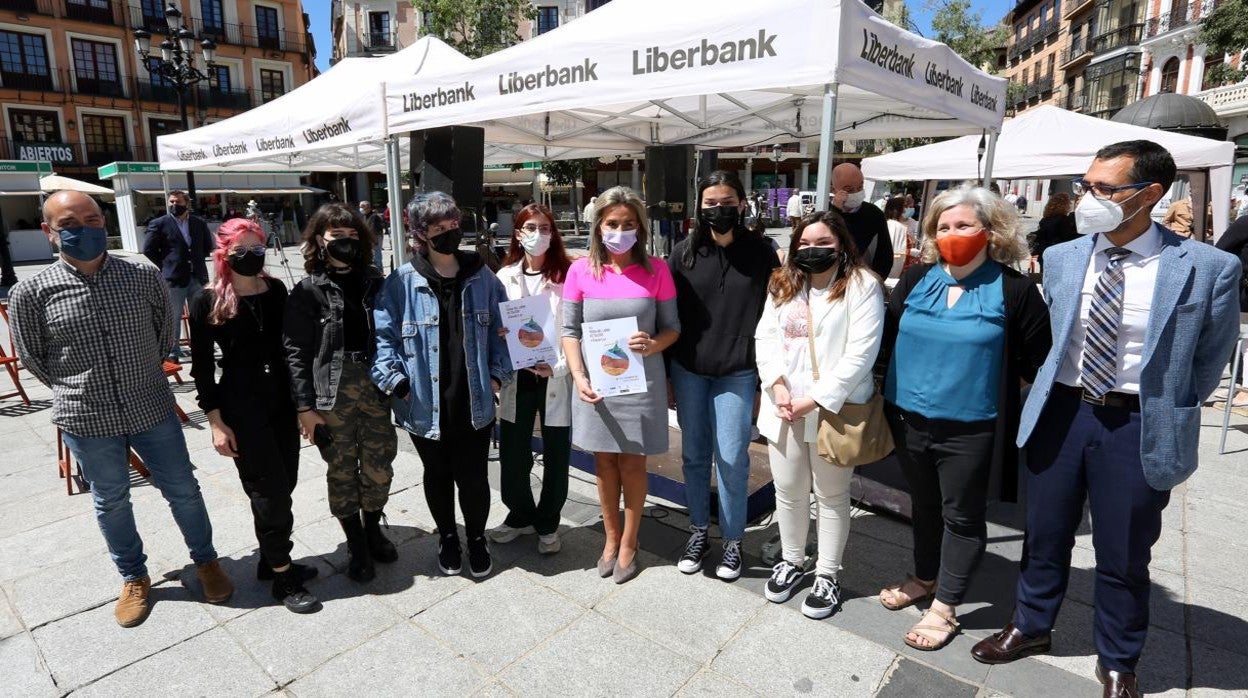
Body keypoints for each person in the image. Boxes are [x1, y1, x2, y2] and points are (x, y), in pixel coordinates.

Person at [972, 142, 1241, 697]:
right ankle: (1030, 624)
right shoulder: (1067, 256)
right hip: (1062, 413)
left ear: (1149, 196)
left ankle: (1118, 659)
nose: (1088, 197)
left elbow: (1211, 356)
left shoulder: (1209, 267)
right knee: (1044, 534)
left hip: (1137, 425)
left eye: (1103, 188)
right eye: (1086, 184)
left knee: (1123, 552)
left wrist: (1169, 405)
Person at [9, 191, 232, 628]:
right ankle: (133, 577)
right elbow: (34, 357)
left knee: (183, 489)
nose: (85, 229)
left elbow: (163, 331)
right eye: (71, 222)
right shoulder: (31, 292)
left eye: (93, 219)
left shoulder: (141, 275)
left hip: (150, 405)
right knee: (111, 501)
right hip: (87, 417)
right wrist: (79, 388)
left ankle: (206, 562)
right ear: (49, 232)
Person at [878, 185, 1051, 652]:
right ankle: (924, 577)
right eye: (943, 226)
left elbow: (1037, 358)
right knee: (924, 504)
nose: (952, 233)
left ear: (990, 231)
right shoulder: (916, 280)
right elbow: (887, 340)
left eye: (963, 225)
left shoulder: (1015, 290)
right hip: (908, 418)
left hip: (973, 427)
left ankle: (945, 606)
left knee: (962, 515)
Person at [373, 192, 512, 578]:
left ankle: (478, 538)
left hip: (476, 397)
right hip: (423, 399)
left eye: (453, 225)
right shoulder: (401, 282)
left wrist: (500, 374)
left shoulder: (482, 276)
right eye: (439, 228)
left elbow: (504, 332)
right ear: (421, 234)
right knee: (437, 474)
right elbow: (383, 338)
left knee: (474, 475)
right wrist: (396, 382)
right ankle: (448, 536)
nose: (450, 233)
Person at [755, 210, 884, 618]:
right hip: (784, 406)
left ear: (842, 245)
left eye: (823, 243)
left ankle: (828, 573)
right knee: (788, 491)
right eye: (805, 244)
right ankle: (793, 560)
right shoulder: (783, 283)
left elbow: (862, 352)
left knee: (830, 495)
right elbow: (766, 336)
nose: (813, 251)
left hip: (833, 408)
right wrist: (775, 383)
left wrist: (816, 398)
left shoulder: (862, 285)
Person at [187, 218, 318, 614]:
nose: (251, 256)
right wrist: (214, 421)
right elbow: (201, 368)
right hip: (242, 405)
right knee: (268, 493)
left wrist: (303, 406)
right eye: (241, 249)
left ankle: (269, 558)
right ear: (224, 252)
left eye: (257, 248)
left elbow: (293, 349)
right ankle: (282, 575)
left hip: (280, 400)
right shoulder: (206, 299)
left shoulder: (276, 289)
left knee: (287, 481)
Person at [561, 185, 680, 584]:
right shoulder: (580, 270)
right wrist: (578, 376)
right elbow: (569, 330)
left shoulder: (657, 270)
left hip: (640, 383)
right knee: (604, 463)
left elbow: (672, 329)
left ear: (640, 229)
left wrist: (653, 343)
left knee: (633, 463)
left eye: (629, 224)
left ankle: (630, 542)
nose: (620, 230)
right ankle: (610, 540)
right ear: (598, 226)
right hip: (596, 385)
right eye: (612, 223)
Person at [667, 171, 779, 581]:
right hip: (689, 371)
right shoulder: (682, 254)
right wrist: (666, 376)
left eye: (726, 201)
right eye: (710, 202)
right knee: (694, 456)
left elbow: (776, 315)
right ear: (700, 207)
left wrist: (765, 382)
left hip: (738, 372)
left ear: (743, 203)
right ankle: (698, 529)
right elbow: (669, 316)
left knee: (732, 458)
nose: (719, 209)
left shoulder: (763, 253)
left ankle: (733, 539)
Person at [284, 203, 396, 584]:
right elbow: (295, 352)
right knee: (342, 469)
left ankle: (373, 528)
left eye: (352, 236)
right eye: (336, 237)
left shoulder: (376, 281)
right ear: (320, 240)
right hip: (330, 391)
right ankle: (356, 544)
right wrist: (304, 408)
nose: (345, 243)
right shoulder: (307, 291)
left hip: (375, 382)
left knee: (379, 466)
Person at [487, 204, 574, 554]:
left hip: (554, 374)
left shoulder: (568, 277)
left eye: (545, 227)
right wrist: (500, 332)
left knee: (555, 452)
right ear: (518, 234)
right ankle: (520, 514)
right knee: (513, 450)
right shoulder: (503, 277)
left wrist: (561, 367)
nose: (538, 234)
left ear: (553, 234)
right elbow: (492, 325)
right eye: (530, 227)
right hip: (516, 375)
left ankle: (548, 523)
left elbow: (576, 330)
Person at [143, 190, 211, 362]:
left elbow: (207, 246)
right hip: (174, 279)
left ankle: (202, 347)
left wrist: (195, 261)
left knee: (201, 315)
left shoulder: (198, 223)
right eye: (171, 202)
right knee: (173, 317)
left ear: (186, 203)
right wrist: (166, 266)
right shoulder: (159, 223)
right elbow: (148, 249)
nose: (174, 205)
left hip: (197, 277)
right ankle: (173, 351)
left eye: (178, 202)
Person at [831, 163, 894, 279]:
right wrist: (836, 212)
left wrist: (876, 283)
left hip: (866, 283)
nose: (856, 192)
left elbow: (885, 255)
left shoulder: (874, 214)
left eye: (860, 187)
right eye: (848, 189)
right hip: (832, 284)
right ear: (834, 190)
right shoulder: (826, 214)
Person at [1214, 214, 1248, 407]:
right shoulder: (1245, 223)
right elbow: (1220, 253)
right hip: (1243, 294)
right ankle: (1242, 386)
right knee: (1244, 340)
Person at [1031, 193, 1078, 271]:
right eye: (1068, 203)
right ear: (1064, 205)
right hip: (1058, 255)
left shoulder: (1044, 220)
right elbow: (1067, 238)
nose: (1069, 205)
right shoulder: (1063, 220)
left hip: (1044, 253)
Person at [883, 197, 911, 280]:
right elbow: (893, 250)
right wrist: (909, 252)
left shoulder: (895, 225)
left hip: (901, 268)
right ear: (897, 209)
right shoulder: (894, 226)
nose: (906, 210)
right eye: (904, 207)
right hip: (896, 271)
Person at [359, 201, 388, 270]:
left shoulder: (374, 216)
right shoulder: (365, 216)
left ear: (368, 207)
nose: (361, 209)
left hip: (374, 238)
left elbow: (374, 230)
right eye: (360, 207)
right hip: (370, 239)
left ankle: (379, 270)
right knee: (373, 255)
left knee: (376, 255)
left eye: (362, 207)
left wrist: (373, 240)